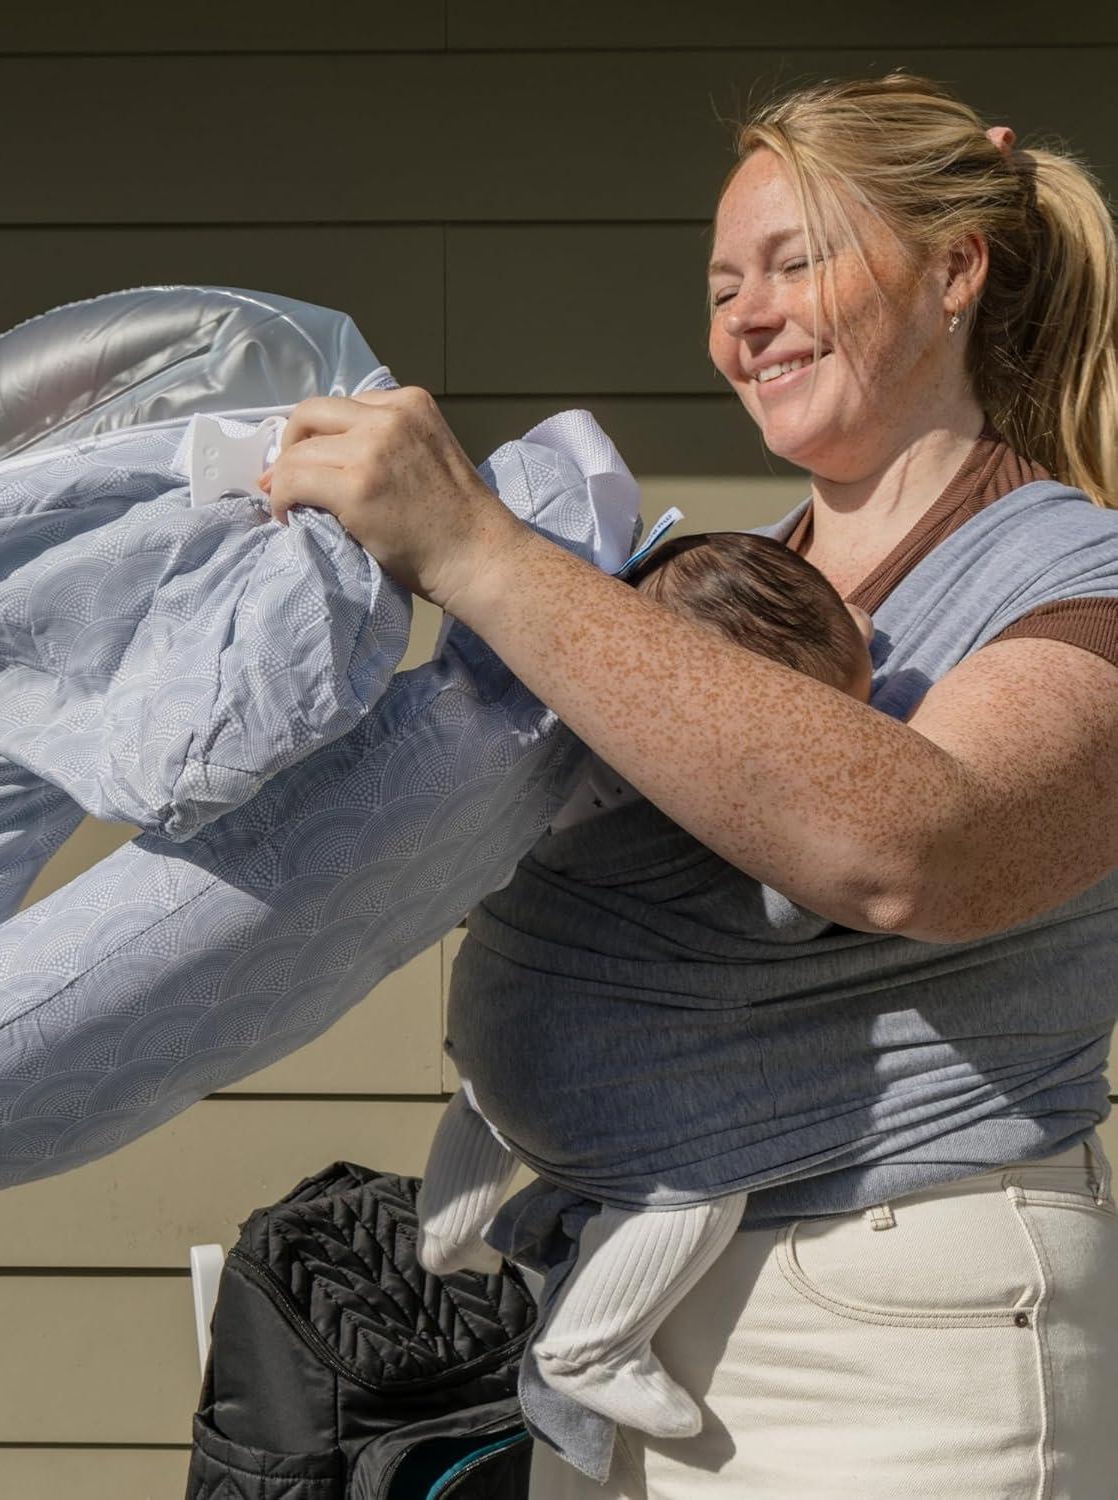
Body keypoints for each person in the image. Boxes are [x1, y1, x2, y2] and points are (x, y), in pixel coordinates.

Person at [258, 71, 1118, 1496]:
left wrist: (476, 548)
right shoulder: (741, 580)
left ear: (956, 271)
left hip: (898, 1332)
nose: (746, 320)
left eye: (796, 263)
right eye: (723, 288)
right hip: (613, 1310)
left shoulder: (1075, 570)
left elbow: (918, 848)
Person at [414, 531, 877, 1441]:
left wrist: (836, 642)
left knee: (492, 1094)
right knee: (702, 1183)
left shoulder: (571, 740)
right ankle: (592, 1347)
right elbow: (800, 907)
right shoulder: (706, 800)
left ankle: (446, 1230)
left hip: (491, 1012)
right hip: (591, 1054)